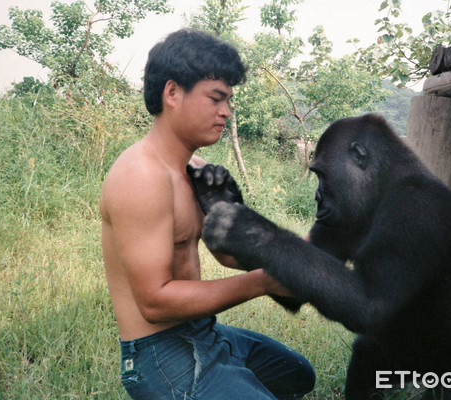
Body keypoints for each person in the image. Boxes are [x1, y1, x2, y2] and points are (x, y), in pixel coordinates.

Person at [99, 29, 315, 400]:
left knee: (299, 376)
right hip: (158, 352)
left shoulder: (195, 167)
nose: (226, 112)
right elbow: (154, 302)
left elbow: (227, 255)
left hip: (202, 331)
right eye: (216, 98)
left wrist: (297, 250)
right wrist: (264, 281)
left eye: (228, 100)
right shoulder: (141, 177)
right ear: (172, 93)